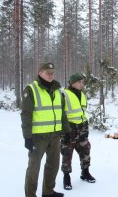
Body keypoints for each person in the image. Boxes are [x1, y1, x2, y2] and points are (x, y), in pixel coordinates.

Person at [21, 62, 71, 197]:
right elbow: (26, 114)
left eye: (52, 72)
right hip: (38, 137)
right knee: (34, 169)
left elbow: (62, 113)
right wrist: (27, 136)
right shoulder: (31, 89)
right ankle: (30, 195)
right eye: (47, 72)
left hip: (55, 135)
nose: (51, 75)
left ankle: (48, 192)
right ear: (40, 73)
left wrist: (67, 131)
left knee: (53, 166)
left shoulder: (57, 90)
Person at [60, 73, 95, 190]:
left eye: (82, 82)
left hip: (82, 129)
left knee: (86, 150)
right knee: (67, 154)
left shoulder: (83, 95)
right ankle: (66, 177)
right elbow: (60, 114)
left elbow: (82, 113)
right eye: (79, 82)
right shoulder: (63, 94)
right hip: (69, 130)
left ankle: (85, 172)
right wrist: (65, 130)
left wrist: (85, 128)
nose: (82, 84)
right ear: (72, 82)